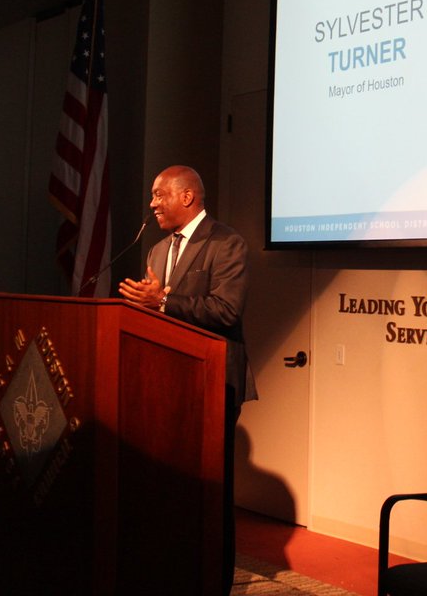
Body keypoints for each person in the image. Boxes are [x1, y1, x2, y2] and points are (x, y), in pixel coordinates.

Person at [118, 164, 252, 593]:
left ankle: (216, 583)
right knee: (170, 489)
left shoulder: (227, 243)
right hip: (166, 385)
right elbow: (155, 312)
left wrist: (164, 300)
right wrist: (144, 308)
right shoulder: (157, 250)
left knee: (212, 490)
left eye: (160, 194)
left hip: (215, 383)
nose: (152, 203)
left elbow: (226, 311)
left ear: (187, 197)